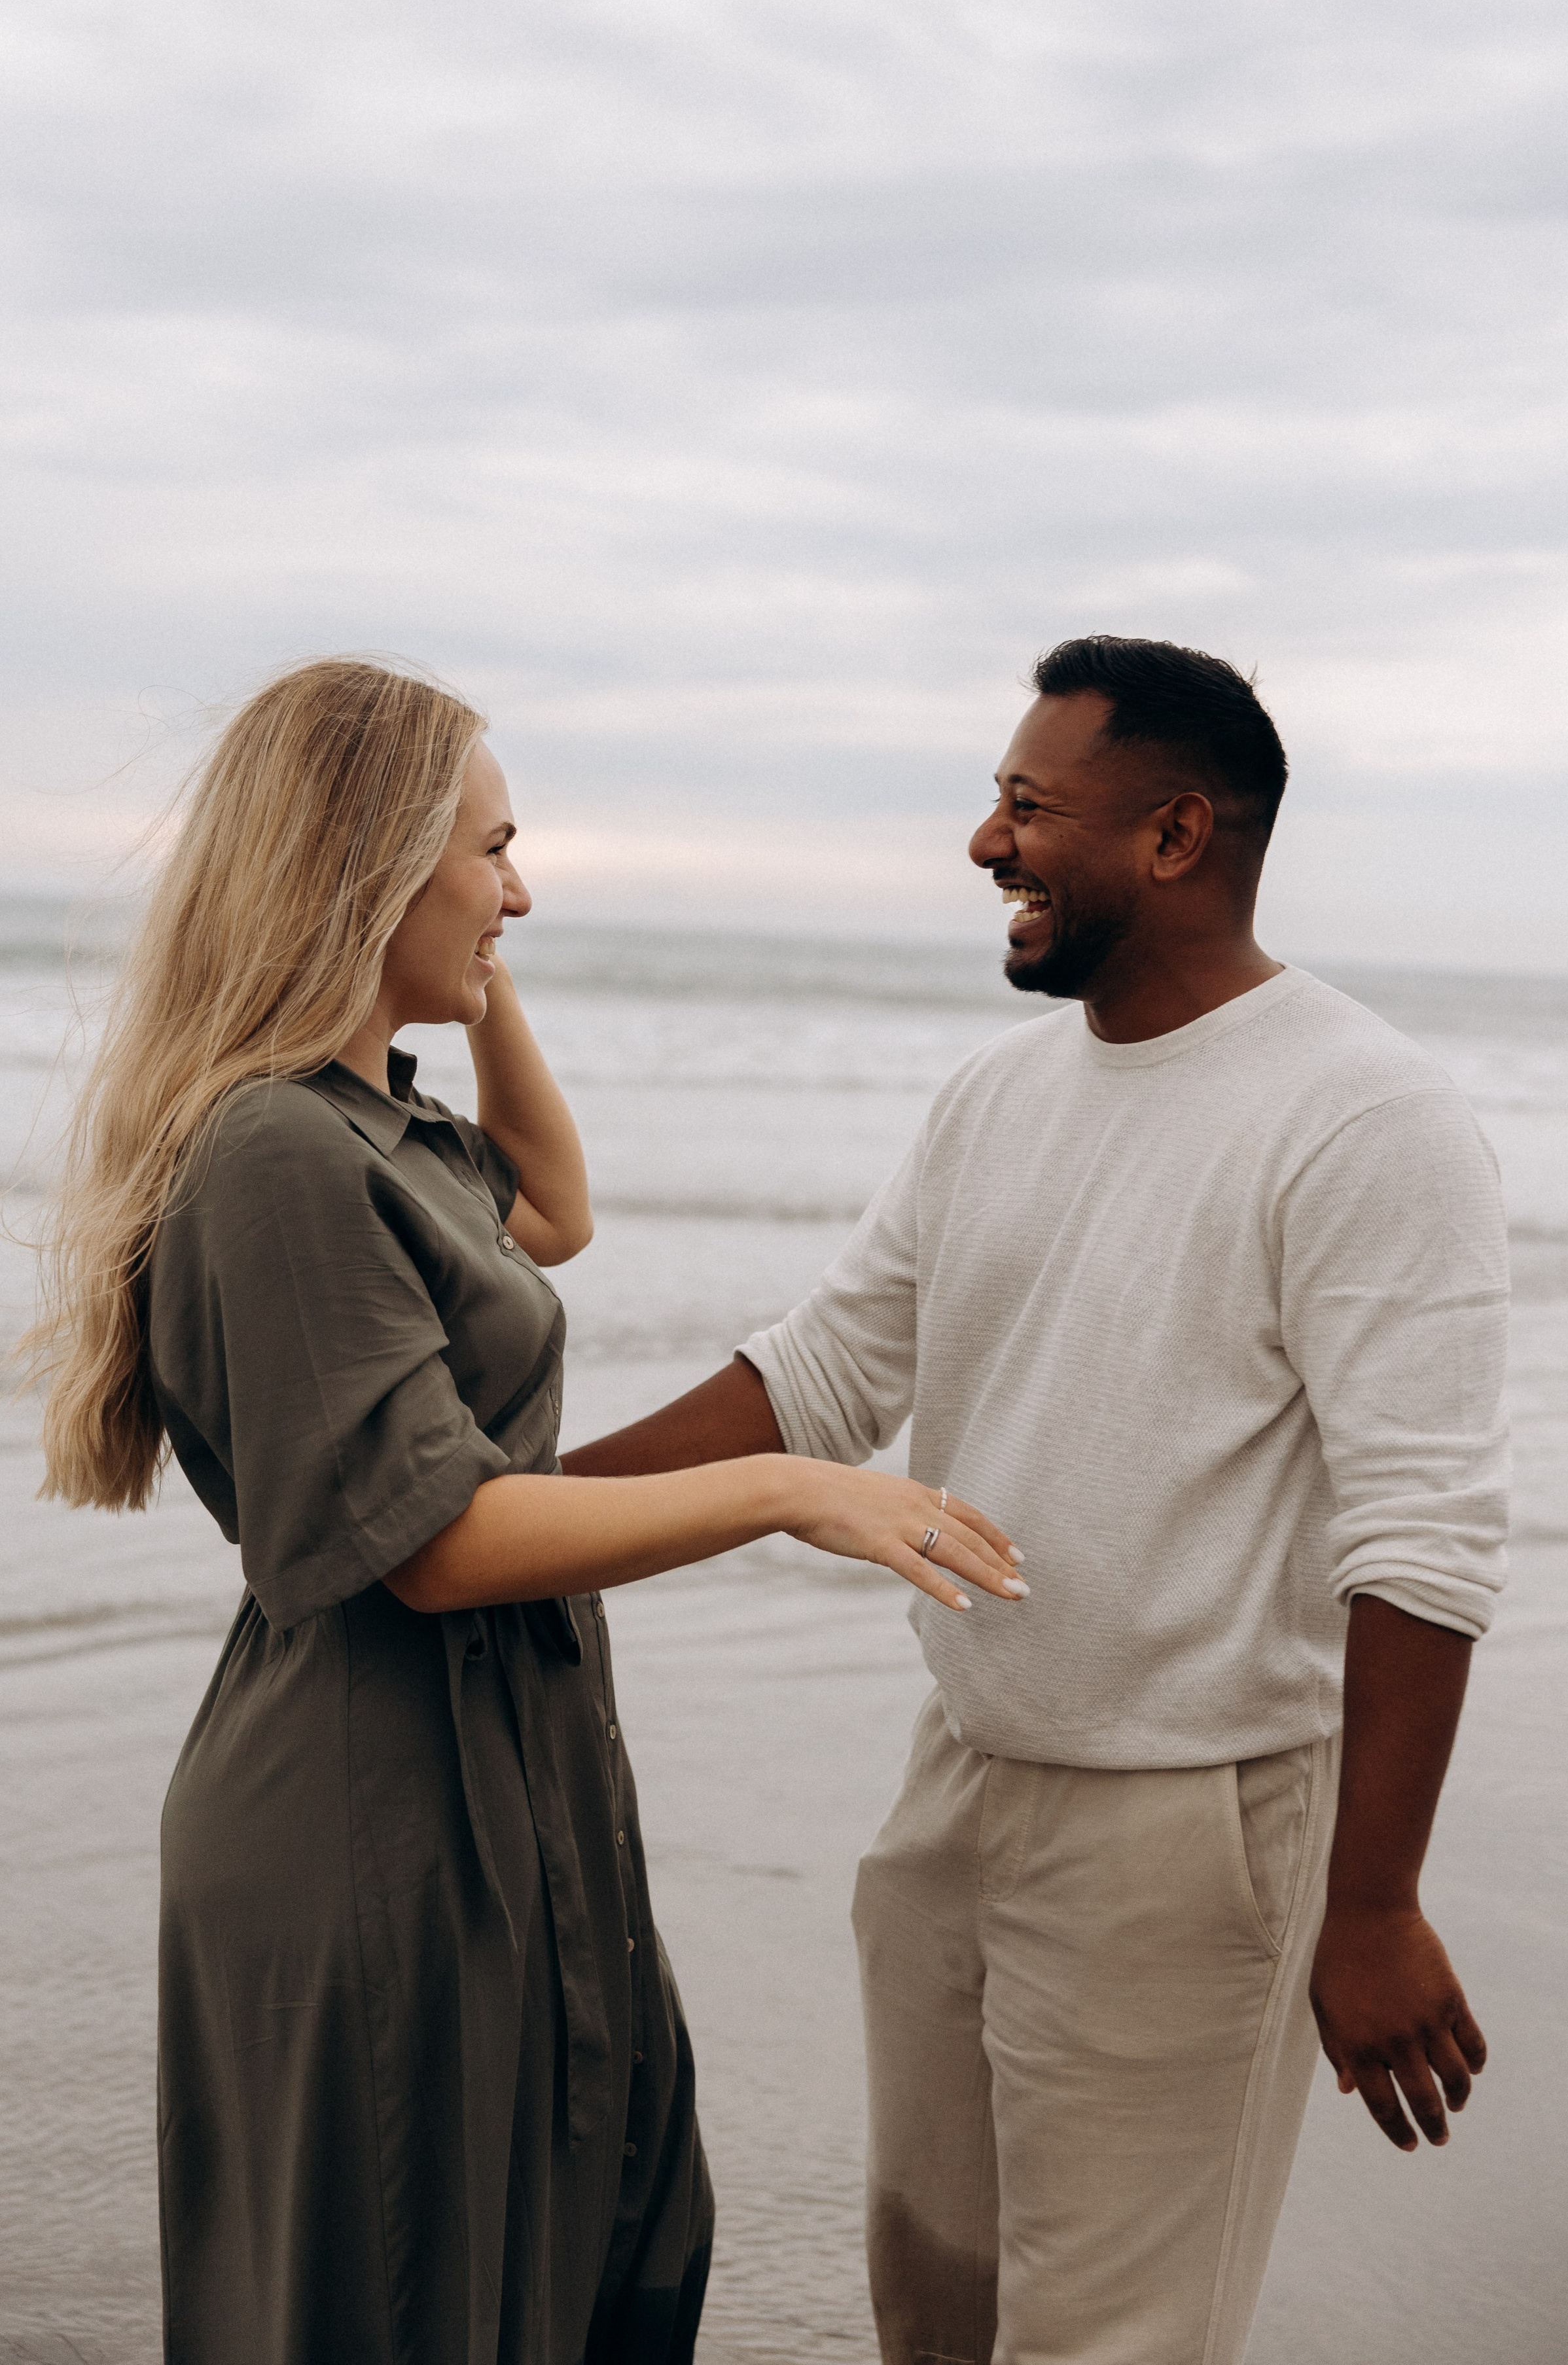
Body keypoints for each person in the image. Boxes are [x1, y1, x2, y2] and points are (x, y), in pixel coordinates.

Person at [27, 658, 1025, 2365]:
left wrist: (470, 969)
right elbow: (433, 1549)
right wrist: (786, 1485)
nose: (527, 887)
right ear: (366, 865)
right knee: (415, 2298)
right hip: (374, 1808)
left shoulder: (385, 1128)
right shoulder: (275, 1155)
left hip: (513, 1767)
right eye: (493, 850)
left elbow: (552, 1208)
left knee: (591, 2265)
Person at [562, 636, 1510, 2365]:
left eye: (1026, 806)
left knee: (1111, 2340)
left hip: (1192, 1832)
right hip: (961, 1793)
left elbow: (1424, 1540)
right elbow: (819, 1379)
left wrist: (1371, 1903)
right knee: (933, 2306)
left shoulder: (1366, 1113)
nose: (984, 846)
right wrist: (510, 1513)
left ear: (1174, 836)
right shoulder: (998, 1096)